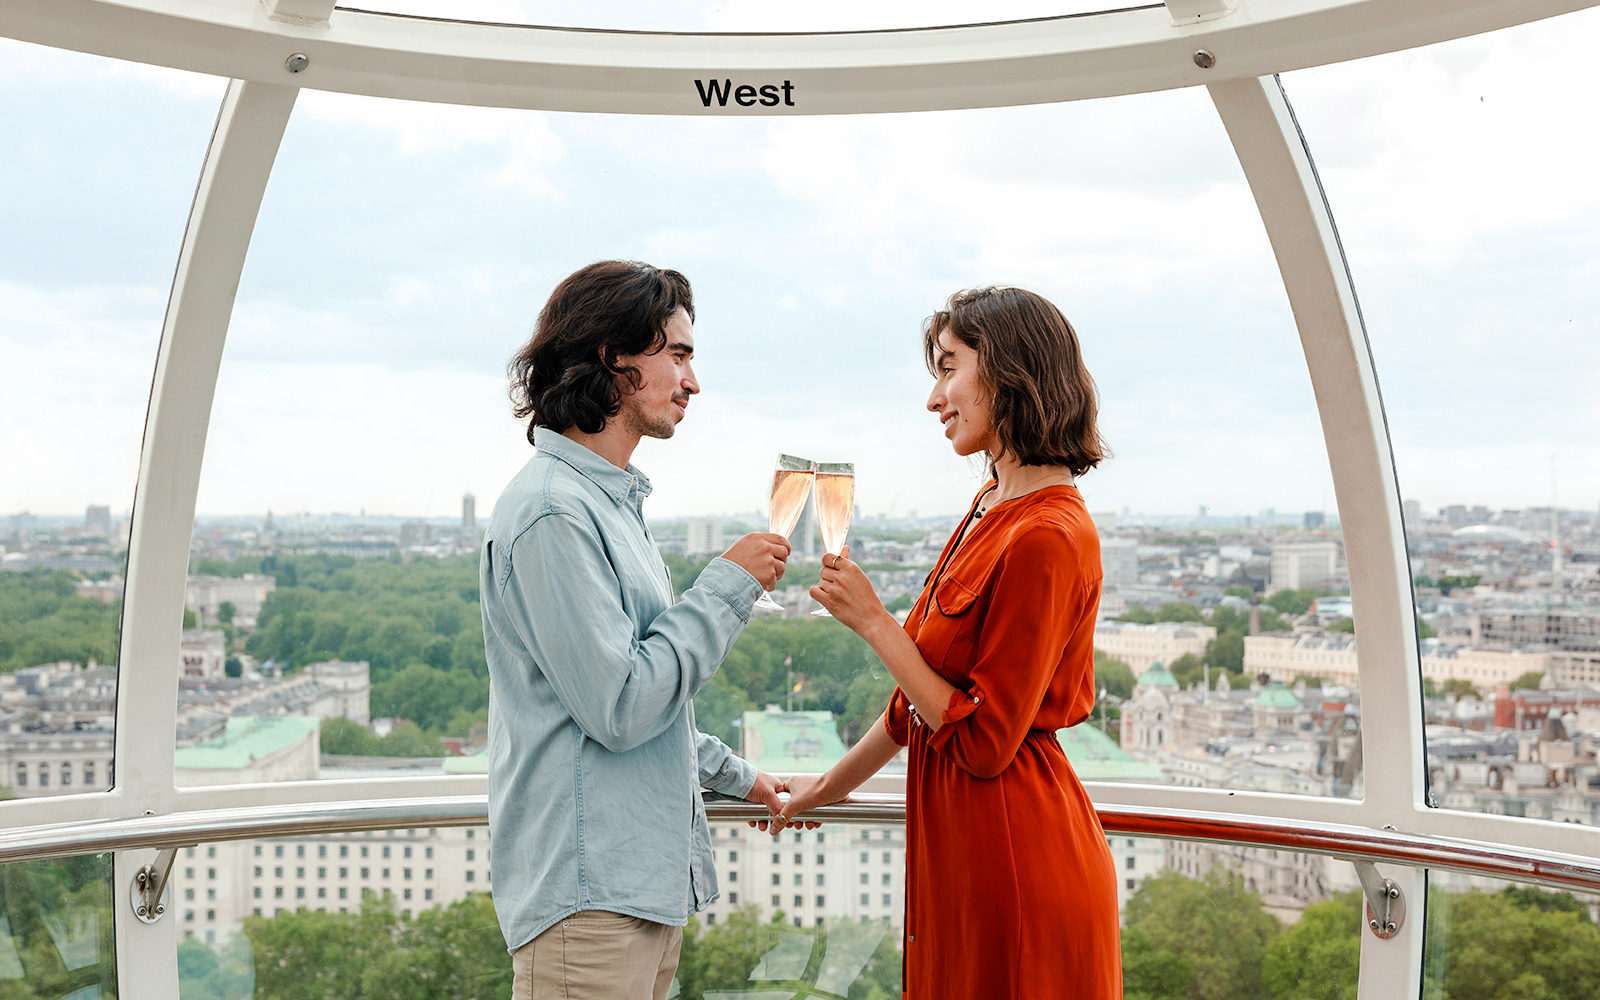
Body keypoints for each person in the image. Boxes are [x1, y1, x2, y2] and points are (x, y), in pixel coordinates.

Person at [775, 286, 1121, 998]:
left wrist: (875, 624)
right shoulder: (992, 504)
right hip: (965, 855)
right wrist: (824, 790)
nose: (934, 398)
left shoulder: (1048, 536)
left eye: (948, 368)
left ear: (1009, 370)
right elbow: (918, 704)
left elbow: (986, 740)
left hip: (1014, 858)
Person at [481, 260, 793, 1000]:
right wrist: (727, 587)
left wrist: (735, 777)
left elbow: (644, 695)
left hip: (635, 891)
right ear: (610, 359)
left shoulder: (608, 505)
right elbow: (619, 705)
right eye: (677, 355)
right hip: (588, 899)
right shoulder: (555, 511)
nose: (692, 382)